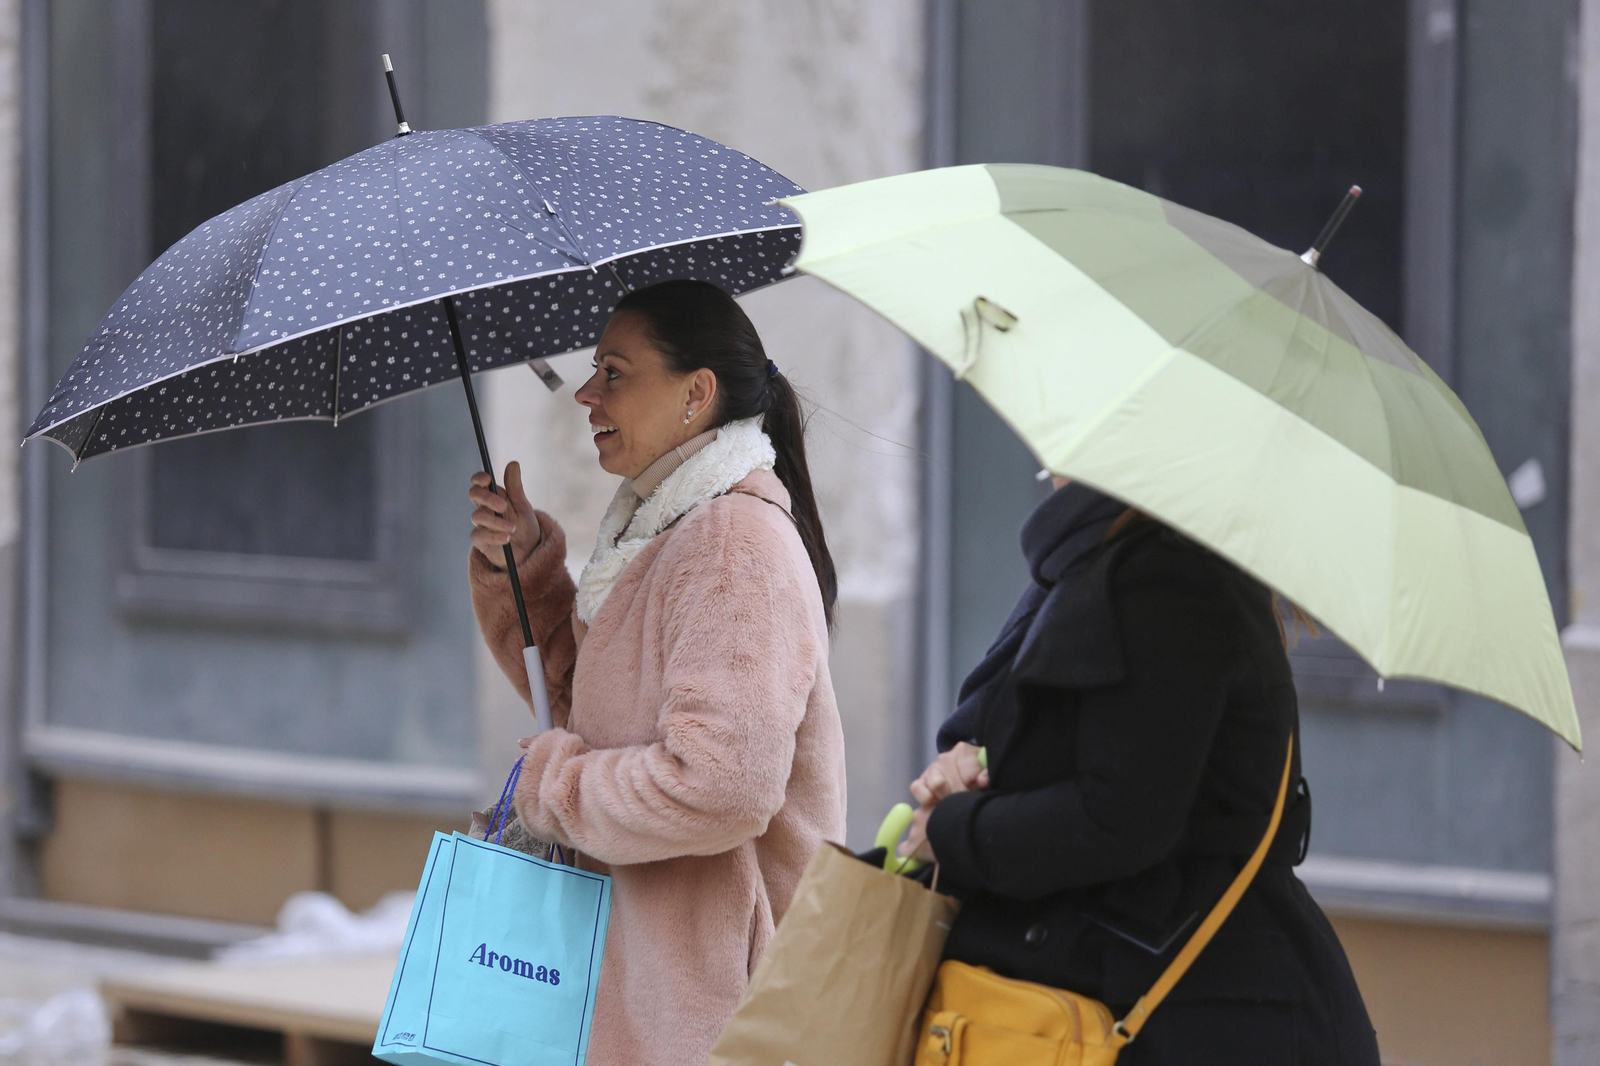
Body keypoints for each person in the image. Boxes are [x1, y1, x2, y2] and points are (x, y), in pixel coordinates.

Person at [466, 279, 846, 1066]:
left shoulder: (731, 544)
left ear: (695, 394)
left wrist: (551, 790)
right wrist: (520, 566)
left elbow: (721, 787)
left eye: (614, 372)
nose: (585, 395)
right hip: (654, 993)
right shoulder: (667, 530)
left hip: (717, 1016)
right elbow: (586, 710)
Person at [898, 479, 1381, 1065]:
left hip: (1184, 1010)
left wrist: (953, 828)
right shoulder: (1098, 559)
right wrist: (970, 763)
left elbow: (1118, 817)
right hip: (1164, 989)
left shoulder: (1169, 581)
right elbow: (1072, 744)